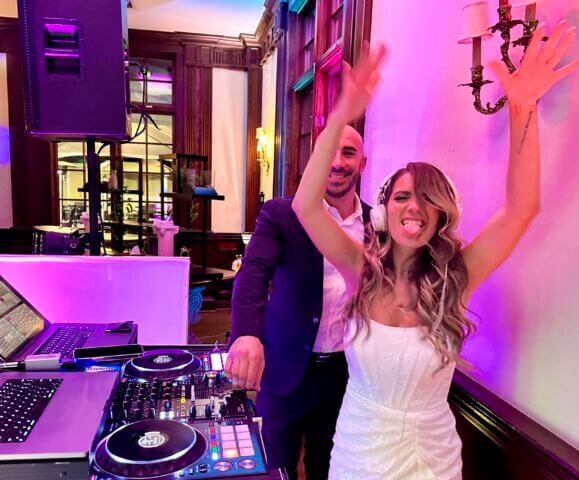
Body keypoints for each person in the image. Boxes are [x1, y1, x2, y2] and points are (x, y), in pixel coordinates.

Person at [291, 22, 578, 480]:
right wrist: (342, 115)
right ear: (383, 209)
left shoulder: (457, 275)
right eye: (402, 196)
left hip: (432, 457)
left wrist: (523, 108)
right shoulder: (359, 269)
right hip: (360, 449)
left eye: (427, 199)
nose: (414, 207)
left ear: (442, 215)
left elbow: (521, 209)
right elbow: (305, 206)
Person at [225, 125, 372, 479]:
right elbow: (254, 272)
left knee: (331, 468)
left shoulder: (377, 224)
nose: (337, 163)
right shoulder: (282, 213)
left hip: (347, 375)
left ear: (363, 163)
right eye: (329, 152)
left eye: (348, 153)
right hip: (285, 367)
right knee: (278, 468)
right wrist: (247, 333)